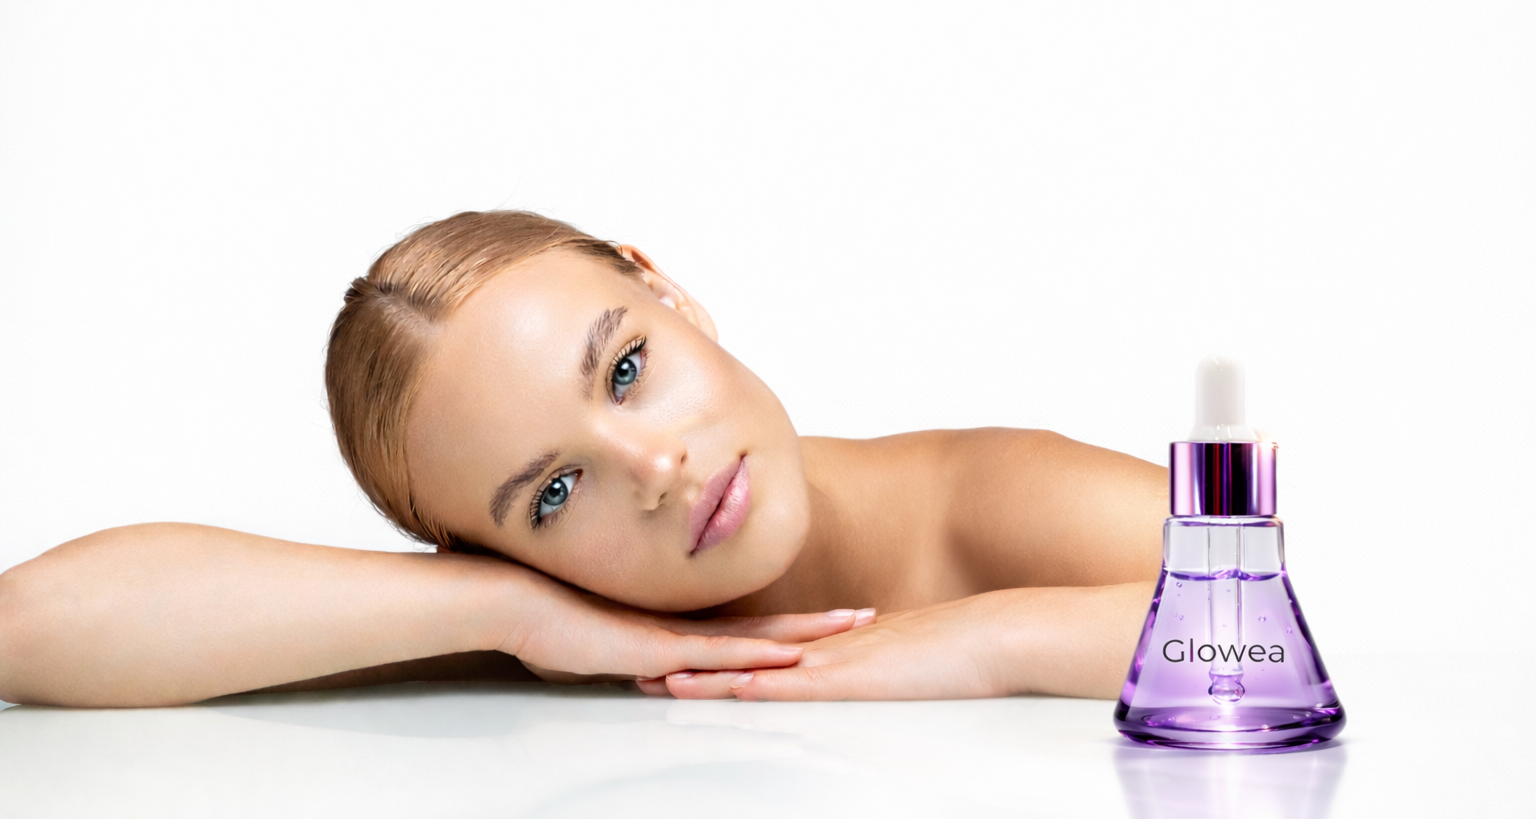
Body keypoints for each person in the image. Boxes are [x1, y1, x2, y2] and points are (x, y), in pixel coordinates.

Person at [0, 211, 1164, 707]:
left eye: (625, 368)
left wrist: (983, 641)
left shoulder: (985, 498)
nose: (652, 466)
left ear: (668, 292)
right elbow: (28, 626)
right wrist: (504, 608)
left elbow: (1257, 611)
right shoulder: (550, 618)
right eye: (553, 492)